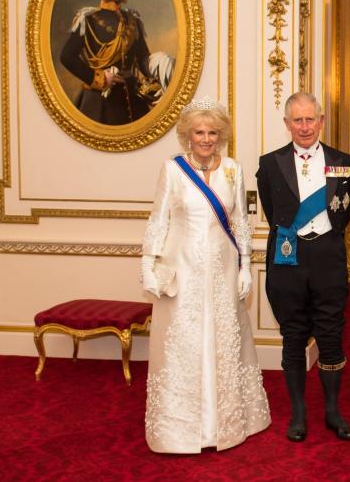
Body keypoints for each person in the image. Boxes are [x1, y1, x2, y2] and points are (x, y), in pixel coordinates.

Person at [140, 96, 270, 453]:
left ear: (221, 135)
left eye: (213, 132)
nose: (206, 138)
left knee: (224, 339)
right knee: (186, 342)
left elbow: (241, 222)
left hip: (223, 268)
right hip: (183, 268)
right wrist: (147, 265)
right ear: (187, 135)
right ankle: (183, 430)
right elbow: (159, 219)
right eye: (199, 132)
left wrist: (245, 266)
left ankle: (226, 424)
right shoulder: (172, 169)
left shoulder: (232, 169)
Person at [256, 92, 350, 443]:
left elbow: (344, 212)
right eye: (297, 120)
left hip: (328, 260)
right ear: (287, 124)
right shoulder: (269, 164)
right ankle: (298, 413)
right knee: (293, 337)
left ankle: (332, 411)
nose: (304, 126)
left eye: (310, 119)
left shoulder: (344, 162)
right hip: (288, 261)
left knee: (331, 337)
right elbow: (272, 211)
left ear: (321, 120)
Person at [60, 0, 173, 125]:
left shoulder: (133, 20)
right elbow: (67, 57)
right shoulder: (88, 19)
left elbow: (142, 60)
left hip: (133, 100)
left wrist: (160, 63)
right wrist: (100, 78)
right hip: (100, 101)